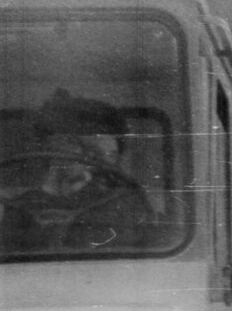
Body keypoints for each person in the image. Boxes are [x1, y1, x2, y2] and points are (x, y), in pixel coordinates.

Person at [0, 89, 153, 253]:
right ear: (52, 144)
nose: (92, 162)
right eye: (86, 150)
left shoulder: (121, 201)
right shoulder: (14, 204)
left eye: (109, 156)